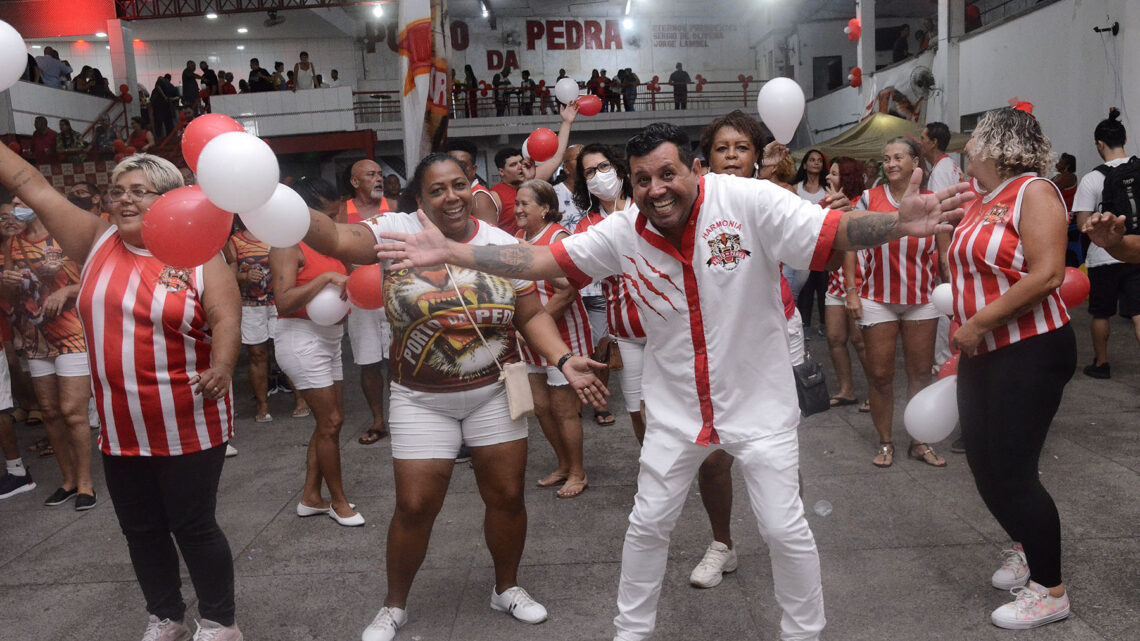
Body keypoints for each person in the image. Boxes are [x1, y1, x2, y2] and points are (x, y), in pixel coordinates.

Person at [374, 121, 972, 641]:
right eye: (642, 179)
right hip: (676, 413)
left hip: (760, 406)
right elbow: (538, 263)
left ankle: (804, 633)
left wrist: (896, 223)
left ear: (694, 167)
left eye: (667, 174)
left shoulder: (749, 201)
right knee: (647, 525)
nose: (656, 189)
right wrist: (454, 254)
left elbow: (832, 233)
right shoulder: (623, 231)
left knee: (785, 529)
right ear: (630, 185)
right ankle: (630, 632)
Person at [299, 153, 608, 641]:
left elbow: (530, 314)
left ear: (472, 187)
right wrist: (275, 204)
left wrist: (564, 359)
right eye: (437, 189)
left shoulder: (501, 243)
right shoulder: (393, 229)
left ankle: (506, 588)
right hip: (420, 398)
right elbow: (337, 238)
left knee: (506, 495)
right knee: (416, 505)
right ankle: (393, 605)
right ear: (418, 199)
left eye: (459, 185)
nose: (451, 197)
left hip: (492, 394)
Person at [0, 148, 244, 639]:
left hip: (188, 418)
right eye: (117, 191)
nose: (124, 199)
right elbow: (32, 182)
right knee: (141, 529)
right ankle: (166, 616)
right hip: (120, 423)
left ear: (171, 199)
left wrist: (222, 365)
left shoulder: (198, 253)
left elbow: (225, 316)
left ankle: (220, 623)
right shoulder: (96, 239)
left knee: (193, 527)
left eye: (139, 190)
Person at [948, 107, 1076, 630]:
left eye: (974, 137)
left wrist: (977, 324)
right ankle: (1027, 547)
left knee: (1013, 471)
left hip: (1030, 348)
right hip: (984, 349)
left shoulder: (1034, 191)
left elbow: (1048, 274)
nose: (967, 145)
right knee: (983, 463)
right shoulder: (981, 199)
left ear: (997, 143)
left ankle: (1050, 590)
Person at [269, 176, 361, 527]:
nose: (332, 222)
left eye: (336, 214)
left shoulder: (332, 243)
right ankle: (338, 502)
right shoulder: (286, 244)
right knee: (332, 420)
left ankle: (311, 496)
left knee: (330, 423)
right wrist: (322, 280)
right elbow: (283, 299)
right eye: (327, 215)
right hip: (300, 338)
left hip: (331, 339)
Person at [855, 137, 947, 468]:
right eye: (886, 158)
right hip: (877, 298)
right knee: (880, 375)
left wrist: (951, 290)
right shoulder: (868, 198)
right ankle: (885, 442)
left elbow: (944, 252)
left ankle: (919, 441)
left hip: (922, 298)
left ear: (915, 163)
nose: (891, 163)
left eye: (898, 157)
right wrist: (851, 292)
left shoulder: (930, 200)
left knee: (920, 372)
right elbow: (852, 242)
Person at [0, 192, 96, 509]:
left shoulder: (64, 233)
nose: (15, 211)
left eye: (19, 204)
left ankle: (86, 484)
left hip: (72, 332)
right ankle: (67, 480)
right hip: (35, 337)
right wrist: (8, 272)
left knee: (72, 411)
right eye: (11, 207)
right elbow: (10, 297)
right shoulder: (11, 243)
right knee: (51, 413)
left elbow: (98, 276)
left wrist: (68, 289)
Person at [514, 179, 593, 498]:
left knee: (564, 410)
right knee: (542, 408)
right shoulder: (518, 237)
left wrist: (536, 323)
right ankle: (562, 465)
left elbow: (570, 288)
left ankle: (578, 472)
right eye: (516, 204)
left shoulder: (558, 237)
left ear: (546, 208)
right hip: (530, 337)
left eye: (525, 204)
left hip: (563, 336)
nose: (518, 209)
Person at [572, 144, 643, 433]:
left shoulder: (646, 205)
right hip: (625, 331)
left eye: (603, 167)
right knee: (638, 409)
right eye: (589, 172)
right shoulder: (586, 226)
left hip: (669, 326)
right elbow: (575, 271)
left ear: (618, 168)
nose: (598, 175)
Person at [1072, 109, 1140, 379]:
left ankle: (1101, 364)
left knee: (1101, 313)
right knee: (1138, 311)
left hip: (1103, 258)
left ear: (1100, 144)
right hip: (1136, 252)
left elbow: (1082, 224)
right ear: (1124, 138)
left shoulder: (1091, 179)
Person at [338, 160, 394, 445]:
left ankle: (403, 417)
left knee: (399, 358)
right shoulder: (342, 211)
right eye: (371, 175)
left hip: (394, 293)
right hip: (360, 296)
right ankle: (378, 421)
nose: (378, 179)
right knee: (368, 361)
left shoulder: (394, 207)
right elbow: (334, 249)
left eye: (380, 174)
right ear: (355, 181)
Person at [231, 219, 306, 422]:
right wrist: (245, 276)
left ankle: (301, 399)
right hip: (250, 306)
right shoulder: (235, 241)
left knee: (286, 349)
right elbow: (229, 275)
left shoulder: (278, 235)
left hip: (279, 301)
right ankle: (262, 405)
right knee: (257, 354)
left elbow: (300, 262)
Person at [492, 102, 579, 235]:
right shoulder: (495, 195)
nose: (520, 167)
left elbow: (556, 157)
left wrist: (567, 122)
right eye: (513, 165)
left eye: (520, 162)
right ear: (501, 171)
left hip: (538, 245)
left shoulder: (532, 179)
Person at [824, 157, 869, 409]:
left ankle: (877, 393)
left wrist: (852, 290)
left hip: (859, 284)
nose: (828, 177)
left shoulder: (859, 205)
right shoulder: (828, 204)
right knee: (834, 338)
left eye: (834, 174)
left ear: (847, 177)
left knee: (860, 341)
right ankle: (846, 390)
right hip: (835, 283)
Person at [793, 150, 830, 334]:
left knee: (823, 286)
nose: (815, 163)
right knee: (805, 288)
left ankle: (824, 324)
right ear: (805, 164)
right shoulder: (796, 188)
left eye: (819, 161)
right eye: (811, 160)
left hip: (823, 244)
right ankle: (805, 325)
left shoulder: (828, 190)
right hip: (802, 246)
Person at [443, 138, 502, 226]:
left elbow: (488, 237)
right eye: (451, 164)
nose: (455, 169)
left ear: (473, 170)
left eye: (462, 165)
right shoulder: (452, 193)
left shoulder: (479, 197)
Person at [555, 145, 585, 231]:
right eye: (579, 158)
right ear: (566, 168)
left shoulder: (596, 192)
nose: (584, 161)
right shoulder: (553, 194)